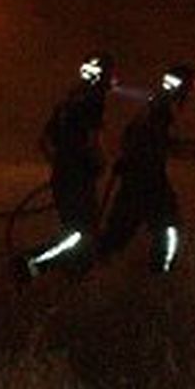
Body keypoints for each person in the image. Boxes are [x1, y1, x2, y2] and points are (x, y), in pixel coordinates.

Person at [96, 63, 195, 274]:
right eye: (191, 88)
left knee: (117, 236)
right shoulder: (161, 109)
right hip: (148, 180)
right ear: (184, 88)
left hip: (137, 179)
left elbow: (141, 138)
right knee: (169, 230)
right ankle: (162, 276)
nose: (191, 95)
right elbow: (163, 145)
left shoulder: (153, 106)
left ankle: (87, 270)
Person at [16, 53, 118, 280]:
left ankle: (75, 273)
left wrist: (61, 166)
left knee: (79, 231)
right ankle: (32, 263)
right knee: (81, 232)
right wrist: (100, 162)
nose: (115, 79)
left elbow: (43, 141)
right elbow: (93, 139)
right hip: (78, 178)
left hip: (64, 176)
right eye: (111, 73)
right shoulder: (94, 101)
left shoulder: (67, 103)